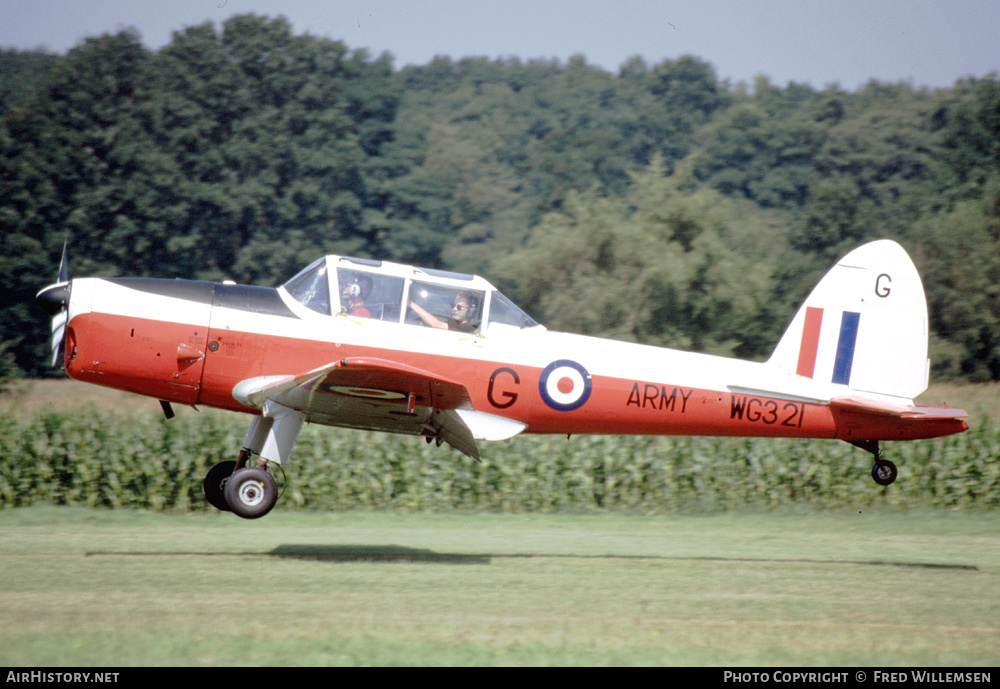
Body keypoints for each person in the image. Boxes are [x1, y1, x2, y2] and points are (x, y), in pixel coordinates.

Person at [409, 291, 478, 332]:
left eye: (459, 307)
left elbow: (436, 324)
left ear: (470, 310)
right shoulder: (453, 323)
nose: (454, 309)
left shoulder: (467, 329)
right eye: (453, 305)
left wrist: (412, 304)